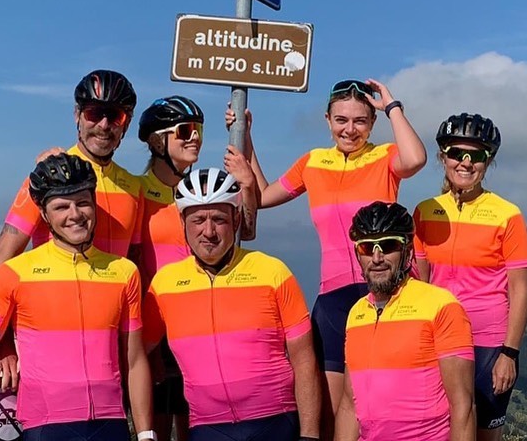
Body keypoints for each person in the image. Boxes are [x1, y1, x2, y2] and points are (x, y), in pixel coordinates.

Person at [227, 78, 427, 438]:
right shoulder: (313, 162)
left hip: (385, 294)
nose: (350, 129)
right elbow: (262, 197)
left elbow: (416, 158)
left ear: (372, 123)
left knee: (380, 401)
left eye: (360, 121)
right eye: (341, 120)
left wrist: (391, 106)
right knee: (331, 414)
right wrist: (248, 137)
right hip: (333, 298)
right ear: (327, 120)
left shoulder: (384, 157)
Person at [0, 153, 154, 441]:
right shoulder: (15, 273)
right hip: (45, 427)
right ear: (44, 214)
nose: (75, 214)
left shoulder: (124, 272)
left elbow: (134, 360)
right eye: (61, 206)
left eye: (83, 203)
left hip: (109, 424)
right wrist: (4, 352)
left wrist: (146, 434)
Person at [143, 168, 321, 441]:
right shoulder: (163, 285)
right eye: (198, 219)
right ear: (183, 222)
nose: (209, 231)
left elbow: (304, 359)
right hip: (207, 428)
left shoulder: (272, 272)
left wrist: (310, 434)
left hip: (275, 421)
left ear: (236, 218)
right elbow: (136, 355)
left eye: (219, 219)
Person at [137, 96, 259, 441]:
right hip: (157, 321)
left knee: (198, 422)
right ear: (158, 141)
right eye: (185, 131)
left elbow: (245, 231)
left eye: (199, 130)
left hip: (204, 317)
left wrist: (247, 183)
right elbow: (130, 259)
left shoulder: (203, 190)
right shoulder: (136, 191)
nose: (195, 138)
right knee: (157, 424)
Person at [414, 113, 527, 441]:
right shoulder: (424, 211)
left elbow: (520, 292)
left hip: (489, 343)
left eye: (476, 155)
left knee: (484, 434)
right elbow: (420, 286)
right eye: (456, 154)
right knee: (440, 429)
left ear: (487, 161)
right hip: (439, 341)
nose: (465, 163)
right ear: (443, 157)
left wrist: (509, 353)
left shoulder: (507, 215)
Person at [335, 201, 475, 441]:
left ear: (408, 252)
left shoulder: (440, 305)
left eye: (388, 245)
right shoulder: (357, 314)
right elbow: (349, 406)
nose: (376, 257)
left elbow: (463, 406)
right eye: (367, 248)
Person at [0, 69, 143, 274]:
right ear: (77, 116)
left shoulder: (134, 187)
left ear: (127, 123)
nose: (104, 125)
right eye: (94, 113)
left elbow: (133, 267)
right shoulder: (48, 175)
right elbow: (0, 265)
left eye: (116, 116)